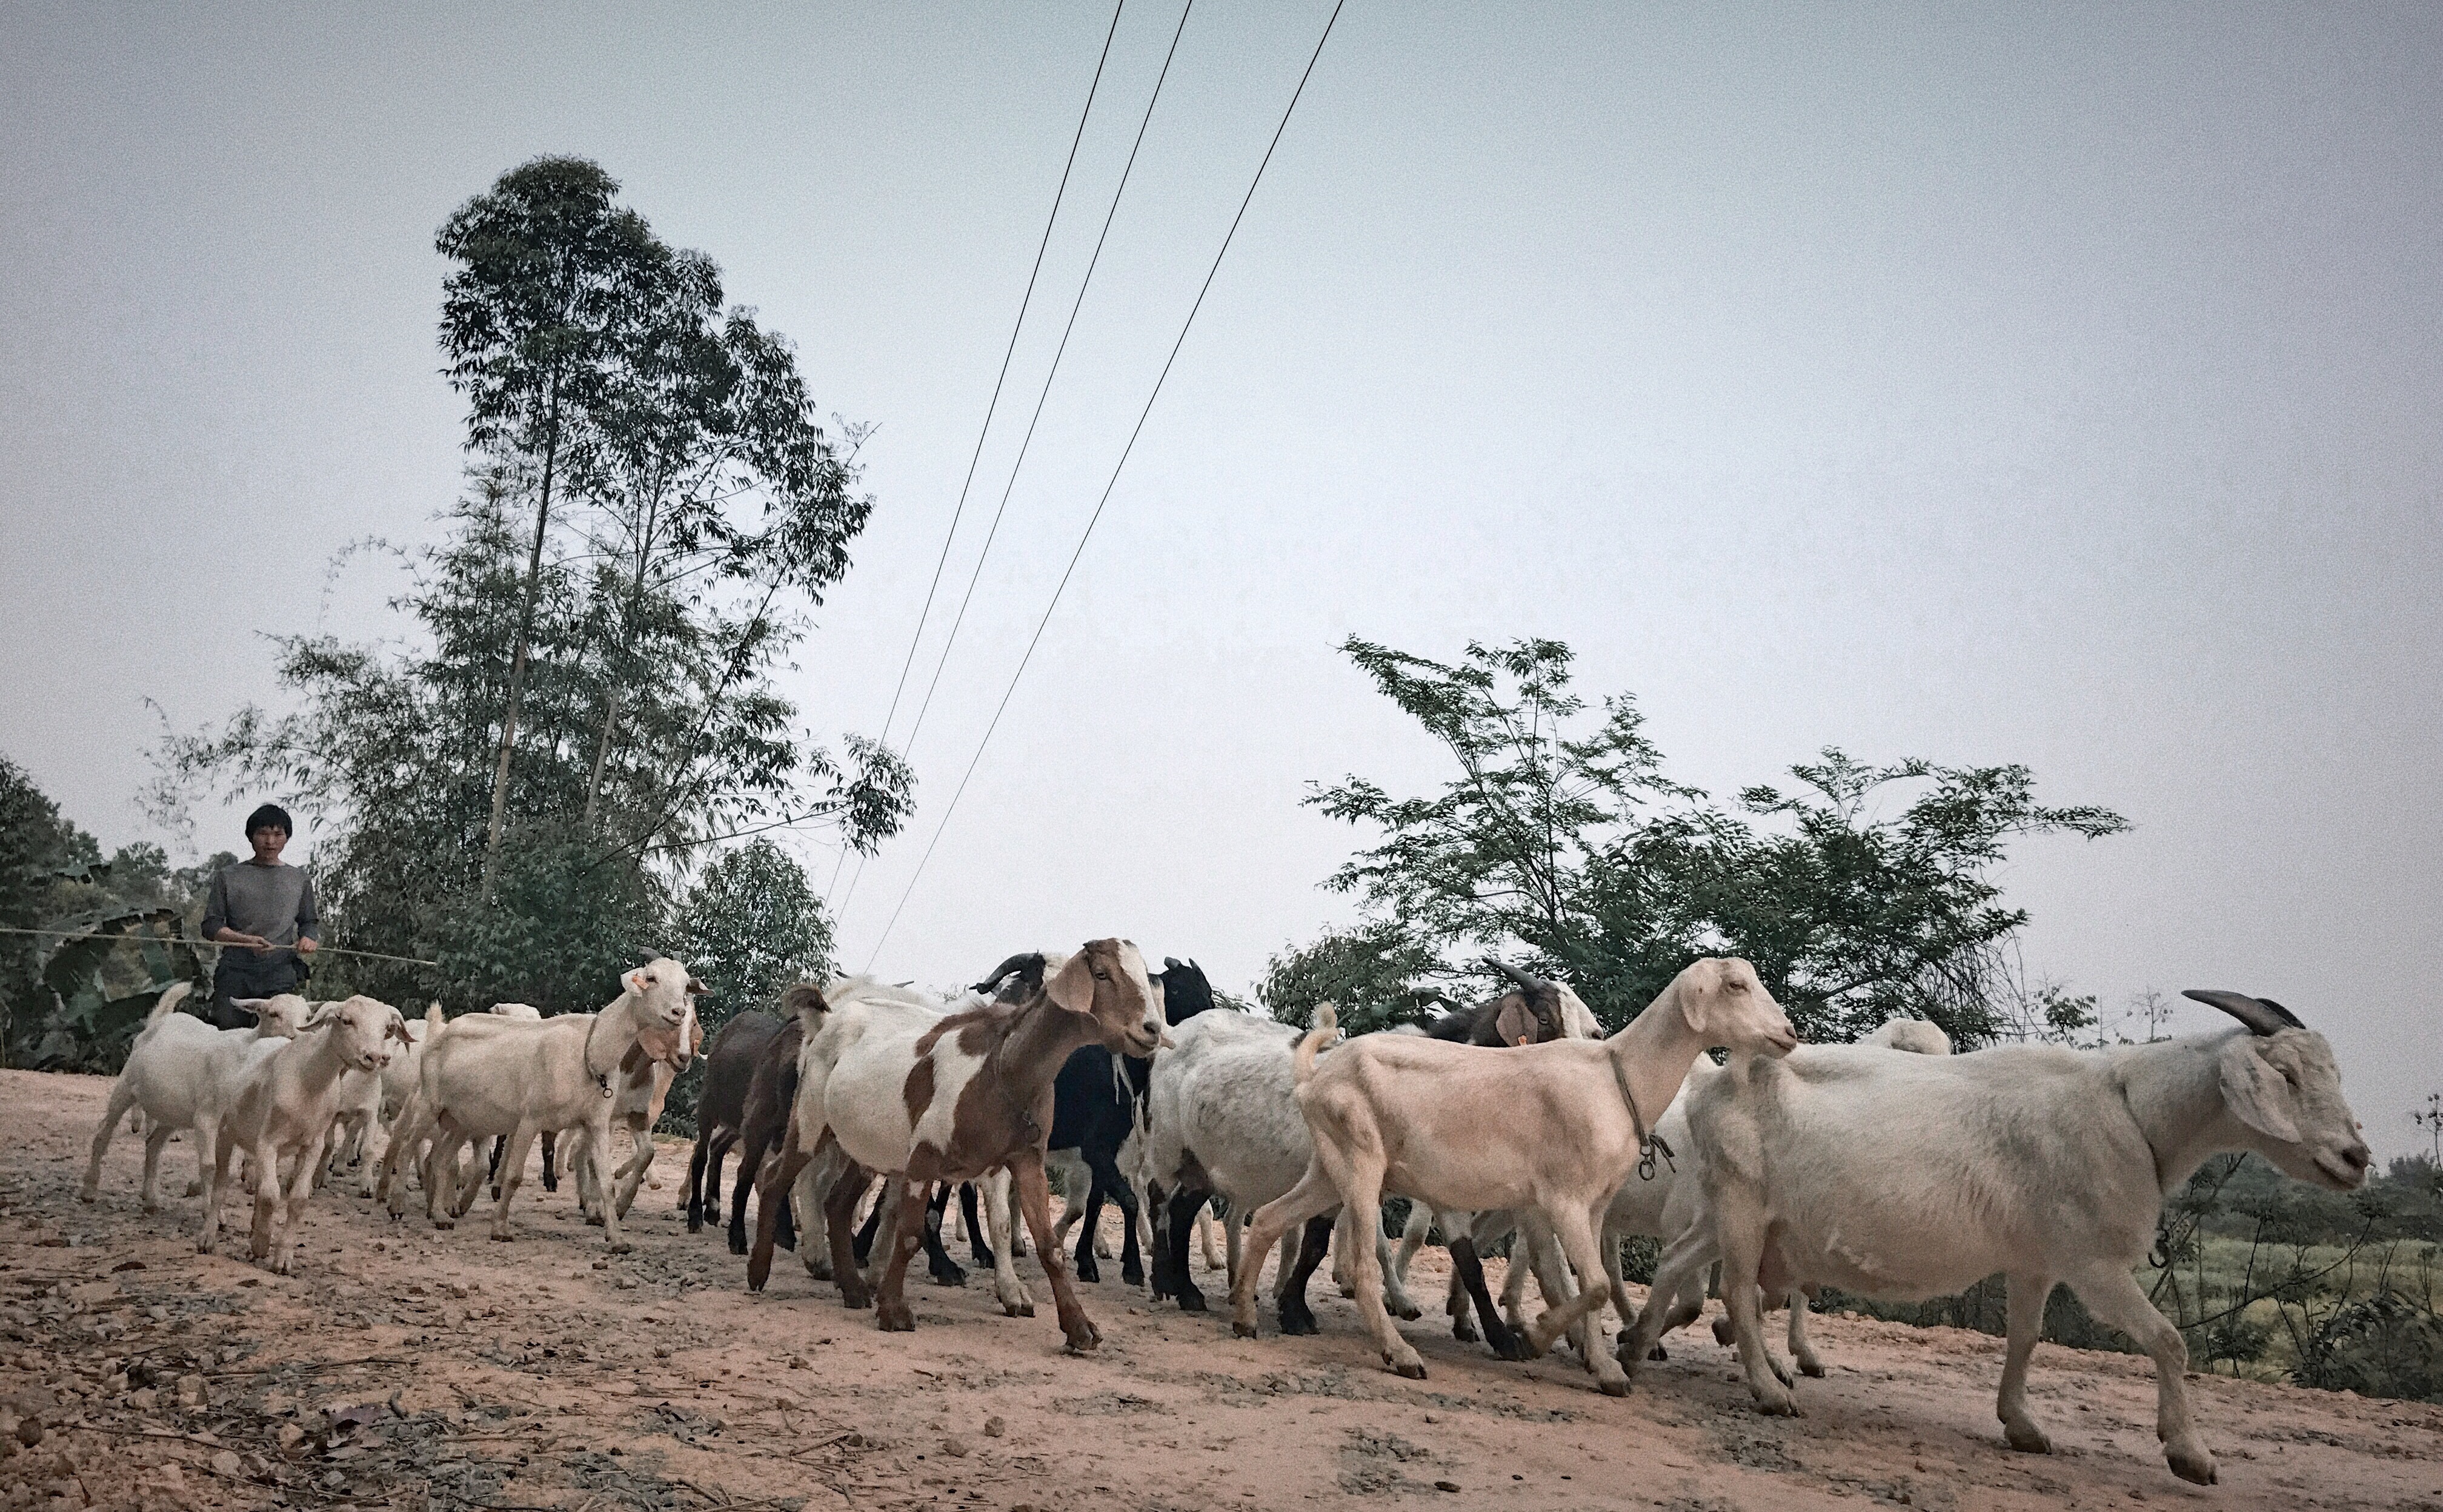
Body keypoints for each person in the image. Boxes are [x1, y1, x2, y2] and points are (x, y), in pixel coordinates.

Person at [200, 803, 319, 1030]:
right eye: (263, 834)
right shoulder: (229, 876)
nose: (270, 842)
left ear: (287, 838)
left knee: (283, 1033)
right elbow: (210, 926)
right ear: (251, 837)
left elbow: (309, 921)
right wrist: (246, 941)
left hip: (280, 972)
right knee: (227, 1030)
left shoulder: (299, 879)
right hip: (236, 971)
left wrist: (308, 938)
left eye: (278, 834)